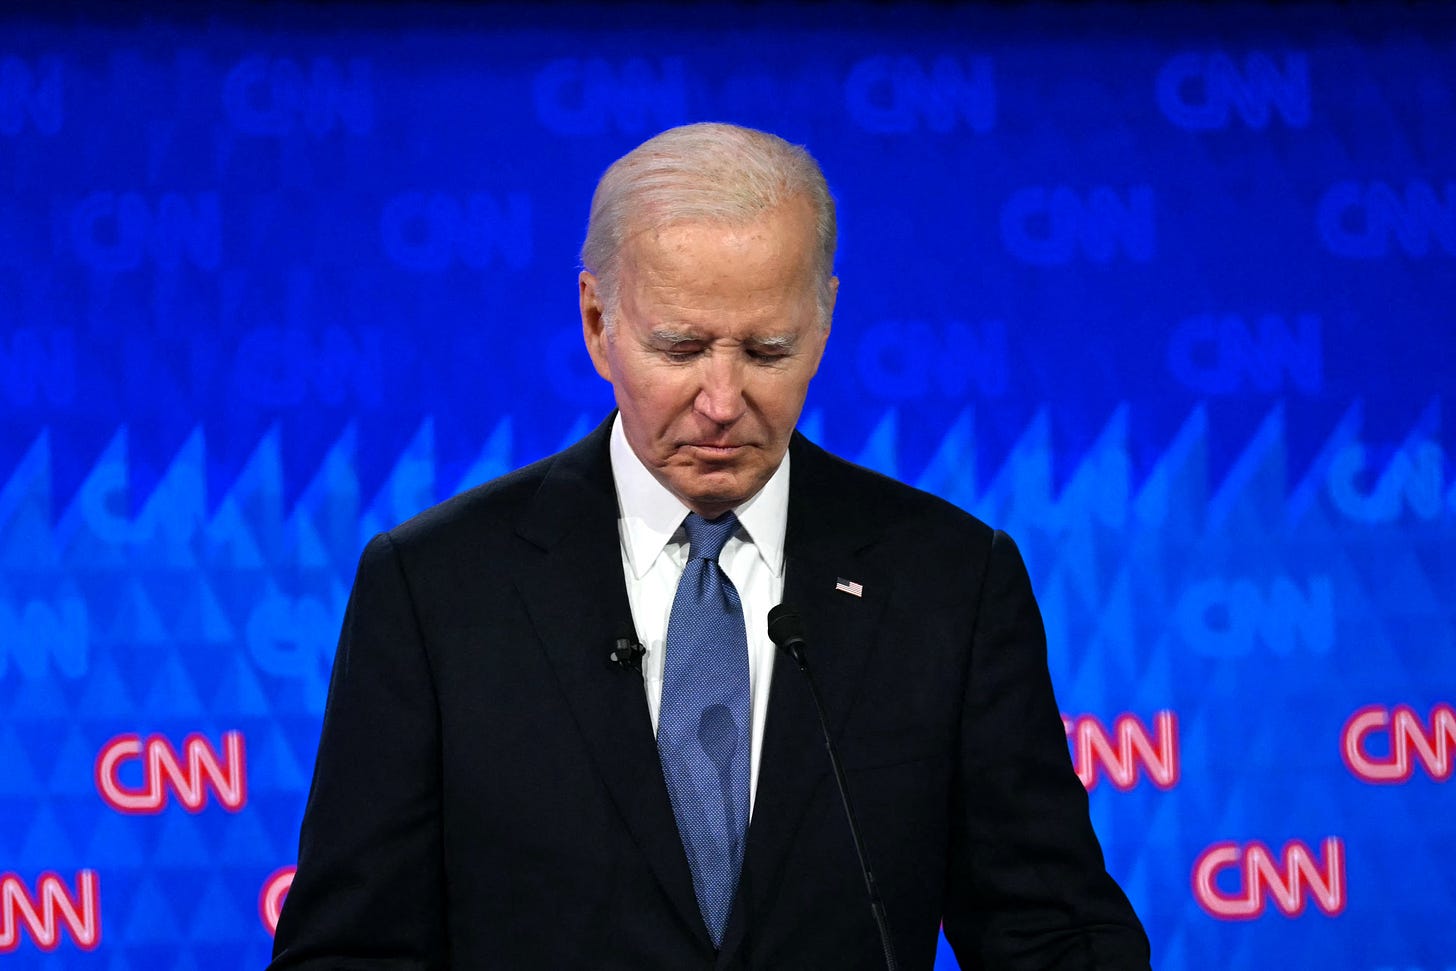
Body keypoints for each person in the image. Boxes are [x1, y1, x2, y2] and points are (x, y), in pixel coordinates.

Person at [269, 122, 1151, 970]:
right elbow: (352, 949)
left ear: (825, 320)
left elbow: (1052, 935)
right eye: (681, 347)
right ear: (596, 322)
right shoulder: (436, 590)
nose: (722, 401)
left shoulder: (950, 583)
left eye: (767, 349)